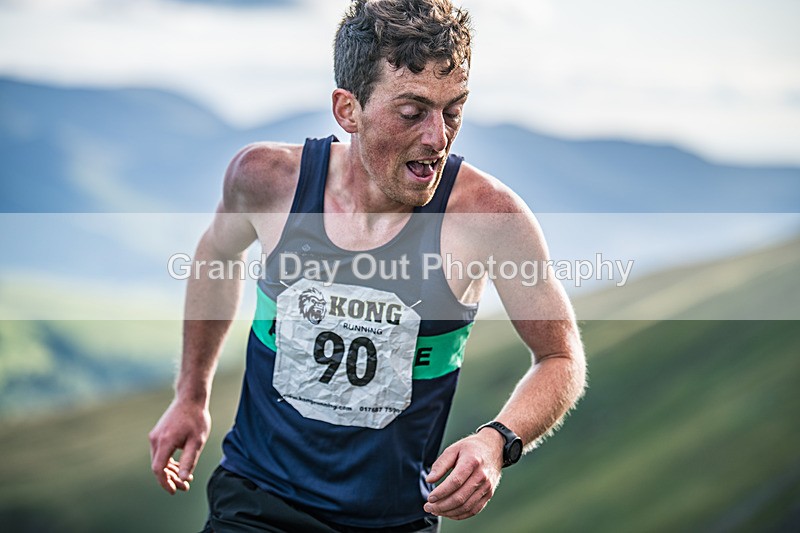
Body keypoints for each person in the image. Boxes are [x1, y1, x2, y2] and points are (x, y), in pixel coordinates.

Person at [149, 0, 586, 531]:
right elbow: (217, 255)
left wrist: (498, 440)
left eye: (453, 111)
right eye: (412, 112)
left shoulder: (490, 217)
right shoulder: (267, 179)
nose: (437, 138)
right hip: (257, 499)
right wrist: (190, 395)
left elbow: (560, 357)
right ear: (347, 110)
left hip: (394, 520)